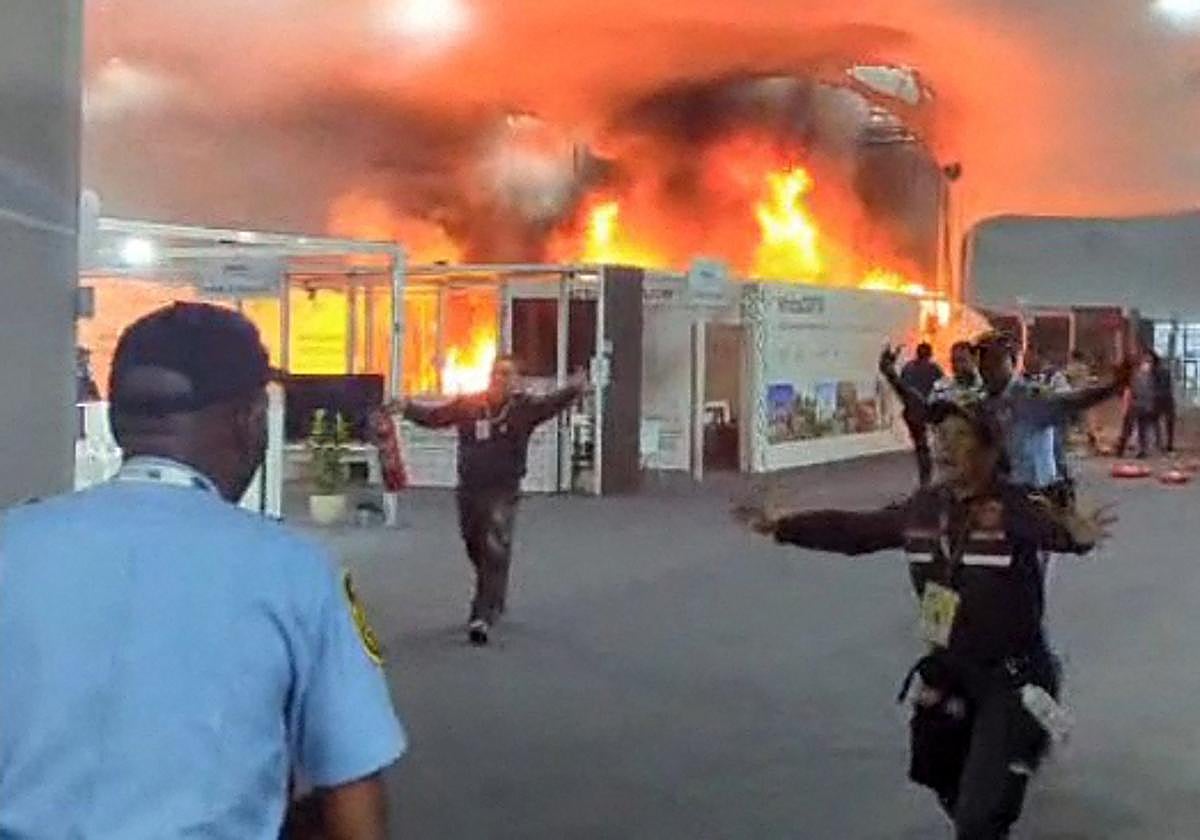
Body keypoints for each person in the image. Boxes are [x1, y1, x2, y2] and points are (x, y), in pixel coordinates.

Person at [0, 303, 406, 840]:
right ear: (251, 420)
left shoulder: (12, 541)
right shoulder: (295, 571)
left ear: (120, 422)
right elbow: (355, 798)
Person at [735, 401, 1113, 839]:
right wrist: (782, 527)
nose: (943, 447)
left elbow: (1060, 533)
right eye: (939, 436)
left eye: (959, 437)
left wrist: (1077, 534)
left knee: (979, 816)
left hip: (1014, 678)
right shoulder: (923, 509)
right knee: (936, 771)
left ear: (990, 451)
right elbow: (856, 531)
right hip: (950, 671)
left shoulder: (1015, 506)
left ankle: (1000, 787)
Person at [391, 355, 589, 646]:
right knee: (474, 543)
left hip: (503, 490)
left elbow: (551, 404)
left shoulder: (524, 409)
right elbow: (436, 418)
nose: (501, 379)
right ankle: (495, 592)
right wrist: (407, 408)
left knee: (494, 545)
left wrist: (574, 389)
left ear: (517, 381)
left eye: (507, 375)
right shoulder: (470, 405)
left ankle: (481, 615)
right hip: (470, 488)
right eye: (497, 374)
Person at [972, 331, 1130, 496]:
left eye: (996, 361)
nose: (988, 368)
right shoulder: (984, 404)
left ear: (1012, 363)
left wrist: (1112, 388)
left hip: (1035, 495)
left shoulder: (1029, 397)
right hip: (1000, 495)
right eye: (983, 362)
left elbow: (1072, 401)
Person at [880, 342, 945, 487]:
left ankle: (925, 479)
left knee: (921, 446)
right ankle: (927, 479)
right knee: (929, 446)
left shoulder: (908, 367)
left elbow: (900, 387)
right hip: (926, 411)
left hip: (911, 412)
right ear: (929, 354)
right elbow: (941, 388)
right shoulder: (934, 369)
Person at [1115, 350, 1158, 459]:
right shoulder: (1139, 377)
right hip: (1137, 405)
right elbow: (1132, 391)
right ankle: (1122, 449)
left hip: (1140, 406)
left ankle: (1139, 451)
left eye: (1149, 363)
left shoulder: (1147, 377)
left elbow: (1150, 393)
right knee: (1131, 429)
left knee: (1139, 430)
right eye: (1147, 362)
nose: (1148, 365)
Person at [1152, 352, 1176, 454]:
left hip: (1159, 399)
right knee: (1168, 422)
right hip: (1168, 398)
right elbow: (1169, 385)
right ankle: (1168, 444)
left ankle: (1159, 443)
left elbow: (1154, 386)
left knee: (1156, 421)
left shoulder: (1154, 372)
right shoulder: (1166, 370)